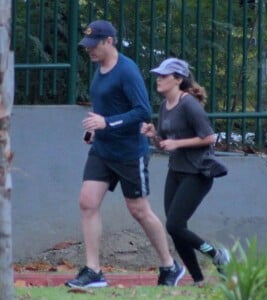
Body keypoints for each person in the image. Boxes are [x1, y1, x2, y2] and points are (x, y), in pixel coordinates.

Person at [65, 21, 185, 289]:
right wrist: (96, 130)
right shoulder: (99, 70)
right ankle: (93, 271)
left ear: (109, 41)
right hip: (102, 150)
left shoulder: (127, 71)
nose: (90, 51)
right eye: (87, 47)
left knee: (139, 210)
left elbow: (142, 112)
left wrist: (107, 123)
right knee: (87, 202)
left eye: (94, 45)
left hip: (129, 153)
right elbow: (105, 107)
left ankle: (170, 265)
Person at [141, 57, 230, 287]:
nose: (158, 80)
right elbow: (164, 144)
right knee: (176, 228)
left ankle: (216, 255)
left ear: (178, 79)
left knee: (174, 225)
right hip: (176, 171)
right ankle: (198, 279)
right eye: (158, 75)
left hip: (197, 173)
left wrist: (178, 144)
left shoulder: (189, 104)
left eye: (163, 76)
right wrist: (154, 135)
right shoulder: (164, 106)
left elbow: (209, 137)